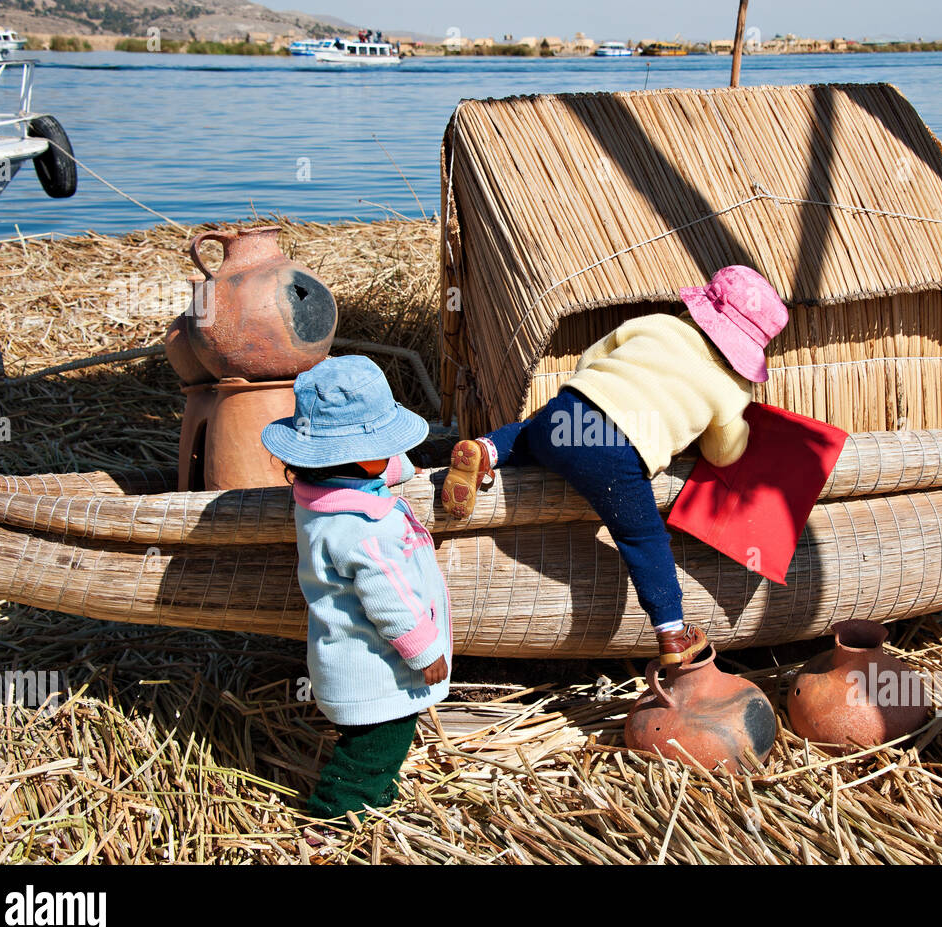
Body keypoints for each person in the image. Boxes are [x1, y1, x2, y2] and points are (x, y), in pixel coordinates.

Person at [441, 265, 788, 666]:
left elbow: (593, 356)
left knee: (527, 434)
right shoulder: (733, 389)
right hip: (618, 453)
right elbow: (722, 452)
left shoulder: (659, 326)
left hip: (574, 409)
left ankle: (484, 452)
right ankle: (674, 634)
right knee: (643, 541)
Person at [261, 356, 451, 823]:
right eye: (385, 448)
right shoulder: (366, 531)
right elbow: (392, 603)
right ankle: (334, 816)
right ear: (361, 458)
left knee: (369, 747)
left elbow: (374, 471)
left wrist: (392, 463)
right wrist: (425, 652)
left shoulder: (317, 496)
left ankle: (372, 797)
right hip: (378, 671)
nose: (393, 459)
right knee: (373, 751)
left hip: (344, 662)